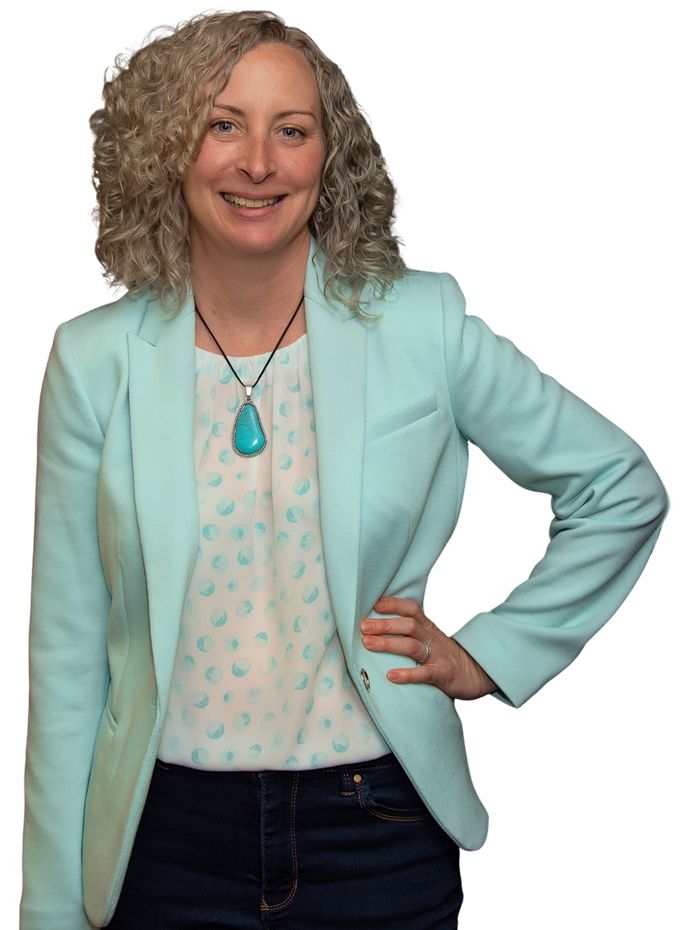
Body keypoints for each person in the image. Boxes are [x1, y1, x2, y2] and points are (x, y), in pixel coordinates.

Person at [21, 9, 670, 930]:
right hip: (161, 840)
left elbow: (621, 489)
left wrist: (486, 656)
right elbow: (66, 655)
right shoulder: (92, 360)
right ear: (167, 147)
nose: (258, 162)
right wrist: (47, 912)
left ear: (330, 158)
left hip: (378, 829)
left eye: (292, 130)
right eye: (222, 123)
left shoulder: (422, 324)